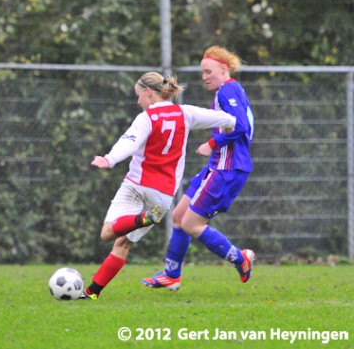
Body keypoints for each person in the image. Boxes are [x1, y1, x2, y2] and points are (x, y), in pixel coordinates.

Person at [80, 71, 236, 300]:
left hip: (135, 185)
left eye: (139, 96)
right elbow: (227, 119)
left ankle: (141, 219)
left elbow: (129, 141)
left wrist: (109, 159)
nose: (138, 101)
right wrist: (228, 130)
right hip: (162, 197)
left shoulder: (146, 118)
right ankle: (92, 292)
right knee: (122, 243)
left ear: (148, 92)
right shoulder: (186, 113)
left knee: (107, 234)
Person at [142, 46, 255, 291]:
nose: (204, 76)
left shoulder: (228, 89)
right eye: (202, 72)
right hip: (218, 166)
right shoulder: (226, 90)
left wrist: (211, 143)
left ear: (224, 70)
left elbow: (242, 126)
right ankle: (171, 275)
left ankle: (240, 258)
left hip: (227, 168)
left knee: (192, 224)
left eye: (208, 71)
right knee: (179, 216)